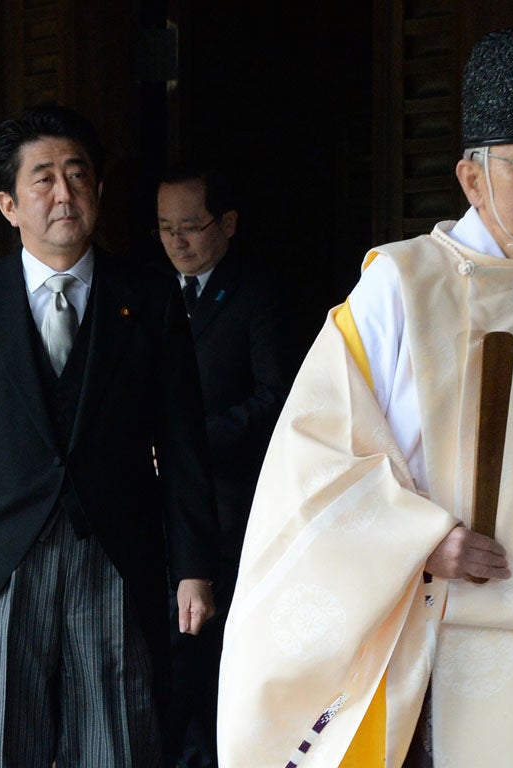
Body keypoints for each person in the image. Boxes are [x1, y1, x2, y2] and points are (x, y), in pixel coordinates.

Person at [216, 26, 513, 768]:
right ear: (471, 177)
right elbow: (316, 458)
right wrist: (422, 539)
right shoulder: (400, 285)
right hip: (446, 635)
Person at [0, 103, 219, 767]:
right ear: (9, 204)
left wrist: (193, 567)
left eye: (77, 176)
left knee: (119, 745)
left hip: (116, 555)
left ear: (99, 193)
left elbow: (184, 443)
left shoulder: (150, 298)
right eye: (42, 179)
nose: (63, 194)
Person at [155, 168, 296, 767]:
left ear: (228, 224)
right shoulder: (151, 293)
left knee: (212, 653)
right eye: (166, 229)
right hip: (157, 510)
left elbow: (276, 397)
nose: (178, 242)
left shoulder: (258, 295)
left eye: (192, 226)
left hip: (230, 504)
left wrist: (187, 444)